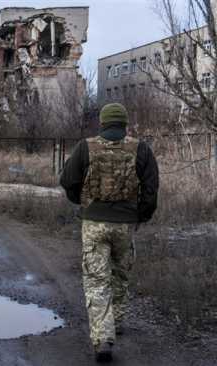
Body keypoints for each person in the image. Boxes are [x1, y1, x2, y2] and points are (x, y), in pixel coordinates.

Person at [60, 103, 159, 362]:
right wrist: (141, 215)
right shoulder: (141, 149)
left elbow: (68, 180)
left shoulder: (86, 147)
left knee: (96, 279)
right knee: (120, 273)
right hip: (125, 224)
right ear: (125, 124)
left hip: (94, 223)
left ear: (102, 123)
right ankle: (115, 320)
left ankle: (104, 338)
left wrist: (82, 203)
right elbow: (151, 187)